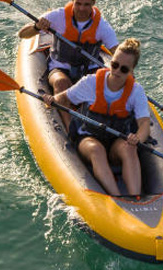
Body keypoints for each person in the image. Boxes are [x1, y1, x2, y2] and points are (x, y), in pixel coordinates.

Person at [43, 39, 150, 197]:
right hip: (88, 137)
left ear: (131, 71)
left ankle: (135, 198)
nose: (117, 71)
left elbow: (144, 123)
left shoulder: (136, 91)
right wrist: (52, 100)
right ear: (111, 61)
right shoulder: (91, 83)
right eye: (114, 64)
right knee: (96, 149)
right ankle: (117, 199)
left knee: (129, 148)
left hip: (116, 142)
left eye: (124, 68)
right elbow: (64, 97)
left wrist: (138, 138)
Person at [18, 0, 119, 129]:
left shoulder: (102, 26)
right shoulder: (58, 16)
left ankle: (99, 126)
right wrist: (37, 27)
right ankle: (70, 129)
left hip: (90, 69)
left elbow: (117, 53)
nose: (81, 8)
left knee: (104, 91)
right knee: (61, 83)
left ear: (93, 4)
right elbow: (22, 34)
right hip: (60, 67)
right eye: (78, 3)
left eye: (86, 4)